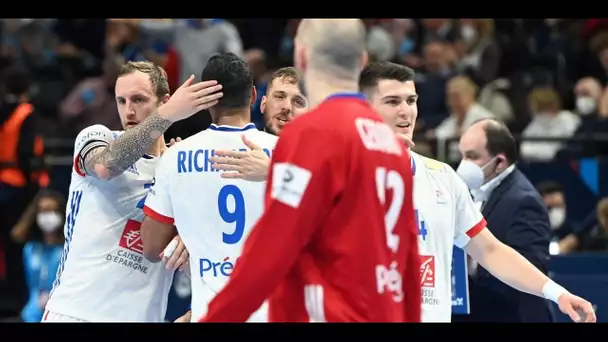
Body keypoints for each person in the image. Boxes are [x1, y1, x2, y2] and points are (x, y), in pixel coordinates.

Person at [200, 19, 420, 323]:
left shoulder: (312, 133)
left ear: (301, 57)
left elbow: (272, 246)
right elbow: (408, 262)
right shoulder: (392, 145)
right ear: (362, 60)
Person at [43, 61, 224, 322]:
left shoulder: (177, 167)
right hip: (75, 312)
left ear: (165, 100)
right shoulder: (97, 138)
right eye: (121, 101)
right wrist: (166, 116)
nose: (129, 111)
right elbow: (106, 166)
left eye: (138, 99)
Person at [140, 53, 278, 322]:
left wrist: (188, 230)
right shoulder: (285, 153)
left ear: (206, 102)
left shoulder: (176, 156)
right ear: (252, 96)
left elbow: (151, 246)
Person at [451, 117, 594, 322]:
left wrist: (467, 281)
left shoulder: (524, 201)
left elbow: (529, 270)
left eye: (472, 157)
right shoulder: (471, 193)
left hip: (514, 316)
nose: (464, 164)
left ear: (500, 162)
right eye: (462, 156)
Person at [10, 190, 65, 322]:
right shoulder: (30, 249)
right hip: (31, 315)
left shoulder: (68, 249)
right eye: (44, 211)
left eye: (53, 210)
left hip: (59, 314)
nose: (48, 216)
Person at [260, 67, 308, 135]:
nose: (287, 107)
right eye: (279, 97)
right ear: (263, 105)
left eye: (297, 101)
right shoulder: (242, 143)